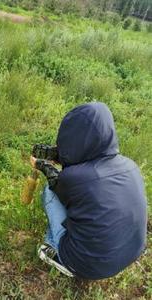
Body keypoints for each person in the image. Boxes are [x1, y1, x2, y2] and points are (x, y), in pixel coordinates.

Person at [30, 102, 147, 279]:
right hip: (130, 254)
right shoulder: (130, 165)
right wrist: (57, 154)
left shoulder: (74, 178)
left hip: (87, 266)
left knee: (49, 192)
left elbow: (57, 182)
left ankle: (55, 251)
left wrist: (42, 165)